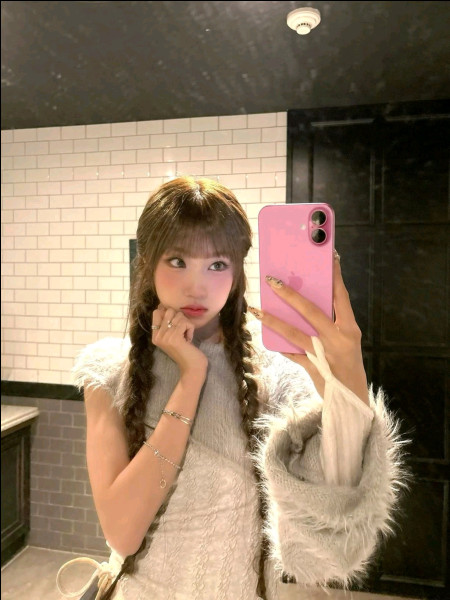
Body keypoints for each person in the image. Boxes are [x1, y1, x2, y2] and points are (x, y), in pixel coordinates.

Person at [57, 176, 405, 600]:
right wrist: (190, 377)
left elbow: (328, 548)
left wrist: (347, 381)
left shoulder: (276, 374)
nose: (197, 285)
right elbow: (123, 534)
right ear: (146, 262)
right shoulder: (110, 371)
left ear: (238, 271)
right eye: (178, 260)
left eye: (218, 264)